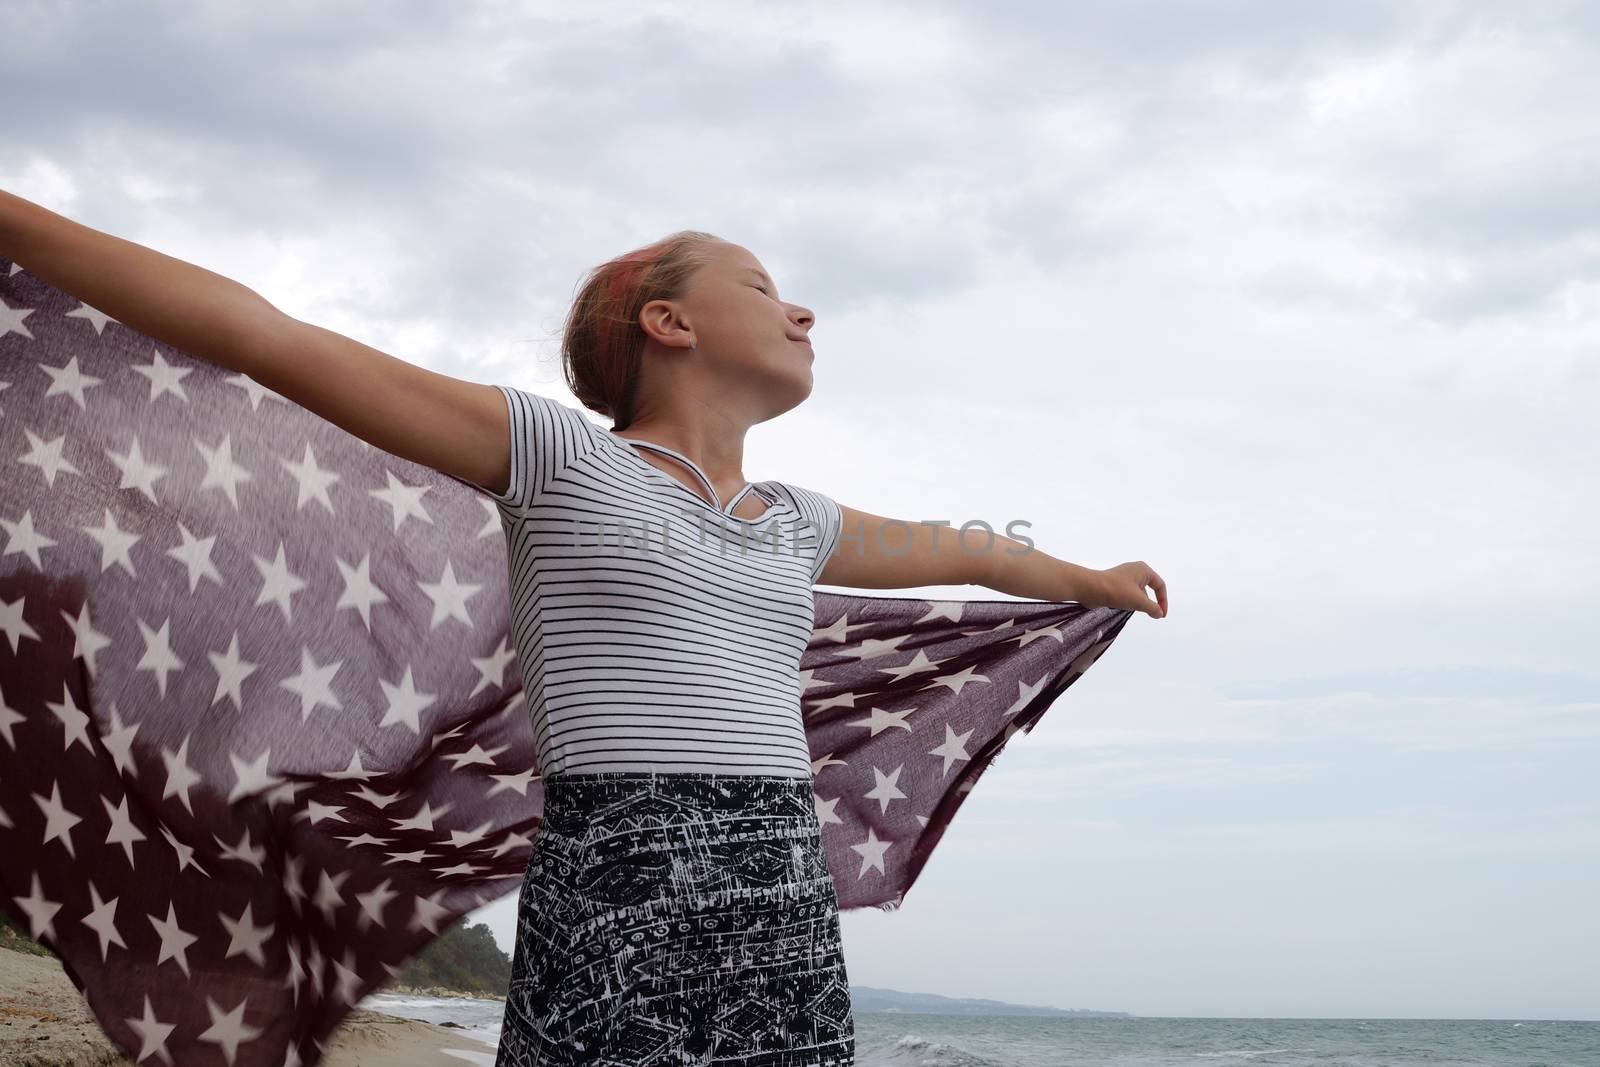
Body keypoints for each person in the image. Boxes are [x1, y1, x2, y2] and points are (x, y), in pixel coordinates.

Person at [0, 191, 1168, 1065]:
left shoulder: (794, 520)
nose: (801, 306)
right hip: (620, 855)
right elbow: (268, 335)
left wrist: (1083, 573)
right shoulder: (558, 457)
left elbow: (957, 546)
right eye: (761, 286)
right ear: (669, 321)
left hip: (775, 873)